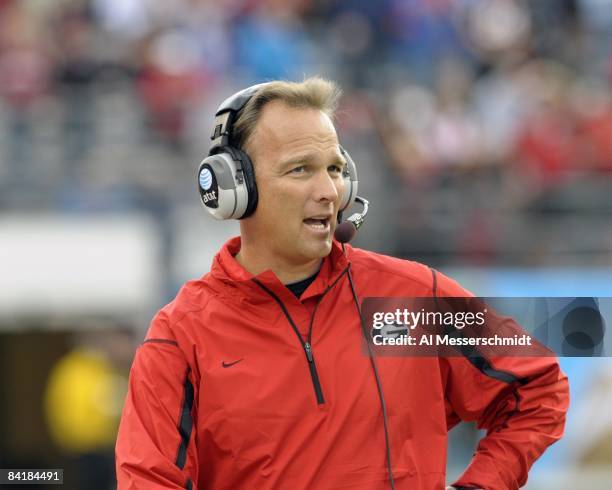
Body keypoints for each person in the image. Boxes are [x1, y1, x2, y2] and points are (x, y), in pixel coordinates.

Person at [115, 78, 569, 489]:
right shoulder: (180, 336)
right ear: (236, 187)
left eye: (334, 169)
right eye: (300, 169)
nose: (329, 191)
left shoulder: (410, 297)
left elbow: (537, 387)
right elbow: (148, 480)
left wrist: (483, 486)